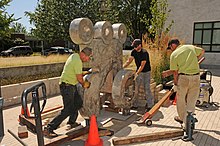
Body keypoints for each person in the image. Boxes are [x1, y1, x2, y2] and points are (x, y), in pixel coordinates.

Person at [44, 47, 93, 137]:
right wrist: (84, 84)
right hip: (67, 86)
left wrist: (84, 73)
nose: (88, 59)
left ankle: (72, 122)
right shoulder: (78, 61)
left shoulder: (74, 56)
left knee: (78, 103)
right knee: (67, 109)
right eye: (88, 57)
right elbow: (79, 79)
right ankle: (49, 128)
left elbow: (75, 71)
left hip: (70, 85)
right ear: (83, 54)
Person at [166, 39, 205, 127]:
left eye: (170, 48)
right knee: (192, 100)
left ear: (173, 45)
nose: (171, 50)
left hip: (183, 78)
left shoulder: (174, 54)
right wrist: (196, 60)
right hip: (196, 77)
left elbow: (175, 72)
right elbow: (202, 51)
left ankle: (183, 119)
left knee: (180, 100)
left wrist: (175, 84)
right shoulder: (190, 47)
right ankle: (189, 119)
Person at [123, 39, 154, 111]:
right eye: (134, 46)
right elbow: (129, 61)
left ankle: (150, 105)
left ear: (140, 45)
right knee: (136, 88)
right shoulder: (133, 52)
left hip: (146, 72)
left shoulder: (144, 53)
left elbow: (142, 66)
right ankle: (135, 104)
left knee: (147, 88)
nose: (134, 48)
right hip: (139, 72)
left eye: (136, 46)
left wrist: (137, 73)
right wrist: (123, 67)